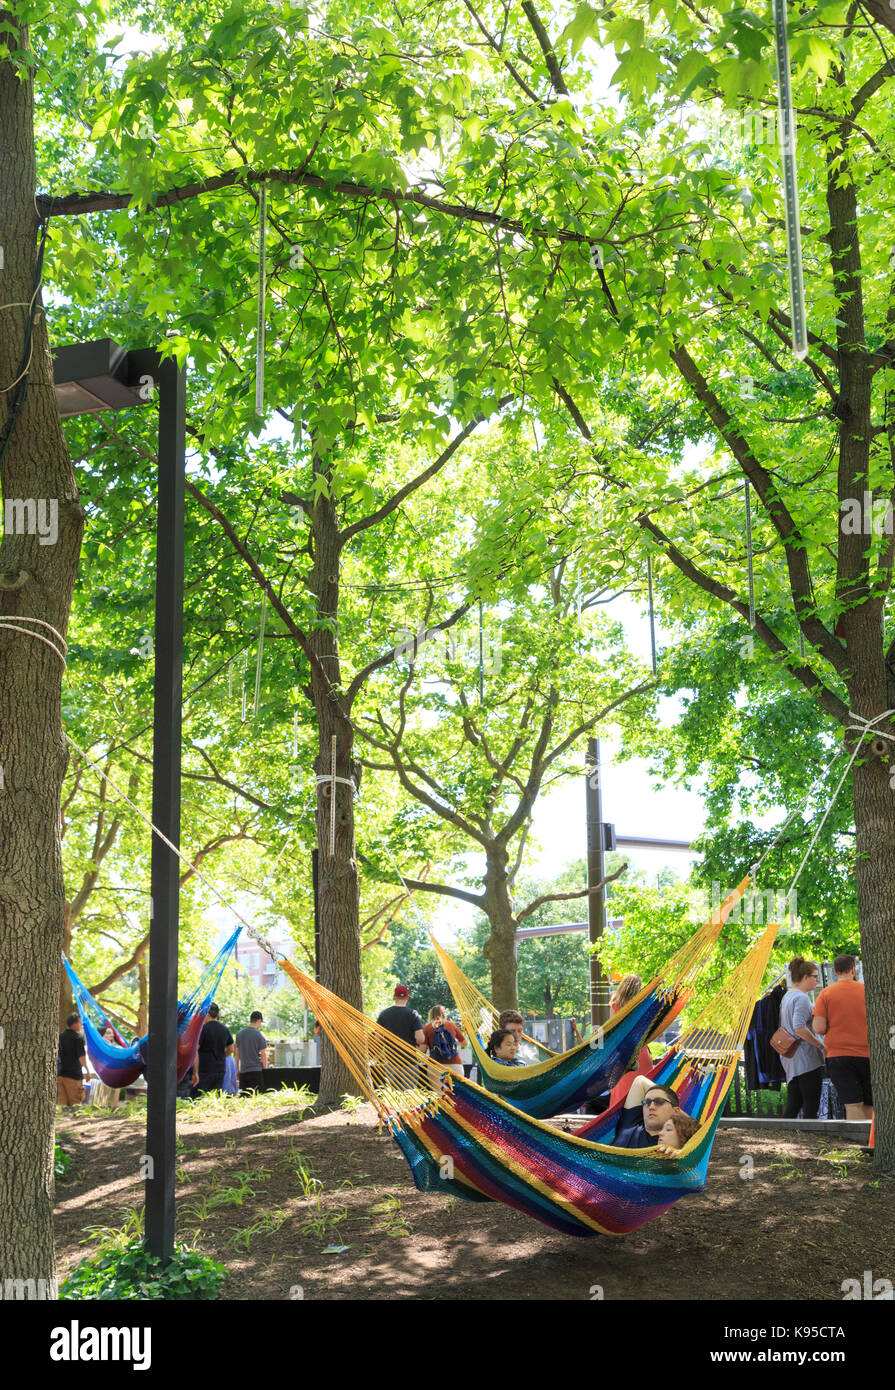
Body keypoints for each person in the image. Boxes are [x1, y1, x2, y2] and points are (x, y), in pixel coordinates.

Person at [811, 954, 873, 1121]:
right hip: (868, 1055)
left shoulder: (826, 994)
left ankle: (856, 1141)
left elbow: (818, 1027)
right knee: (870, 1103)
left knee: (853, 1104)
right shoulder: (868, 991)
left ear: (835, 972)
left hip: (839, 1056)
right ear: (853, 969)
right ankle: (871, 1141)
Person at [779, 957, 825, 1119]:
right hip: (804, 1057)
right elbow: (799, 1027)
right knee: (810, 1104)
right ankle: (810, 1138)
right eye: (815, 976)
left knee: (795, 1102)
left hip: (791, 1057)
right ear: (805, 977)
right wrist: (820, 1045)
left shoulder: (788, 996)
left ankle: (786, 1136)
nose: (817, 980)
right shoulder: (801, 998)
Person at [613, 1074, 683, 1149]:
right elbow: (640, 1081)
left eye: (659, 1101)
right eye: (647, 1102)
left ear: (676, 1111)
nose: (651, 1107)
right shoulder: (631, 1123)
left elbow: (696, 1133)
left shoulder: (676, 1144)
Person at [190, 1003, 234, 1097]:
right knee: (215, 1099)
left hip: (204, 1070)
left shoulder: (203, 1030)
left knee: (199, 1099)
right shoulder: (225, 1029)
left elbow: (195, 1051)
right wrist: (222, 1056)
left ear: (208, 1014)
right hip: (220, 1069)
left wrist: (195, 1072)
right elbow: (231, 1049)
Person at [57, 1013, 88, 1112]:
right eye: (80, 1023)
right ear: (74, 1024)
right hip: (73, 1076)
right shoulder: (77, 1038)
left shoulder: (60, 1037)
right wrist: (87, 1071)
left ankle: (62, 1126)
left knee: (62, 1106)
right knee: (76, 1105)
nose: (81, 1025)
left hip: (60, 1075)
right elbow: (81, 1057)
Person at [423, 1006, 466, 1076]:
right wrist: (452, 1043)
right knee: (458, 1087)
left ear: (431, 1015)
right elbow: (464, 1043)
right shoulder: (452, 1025)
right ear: (444, 1014)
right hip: (455, 1063)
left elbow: (423, 1050)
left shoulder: (427, 1028)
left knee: (437, 1087)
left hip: (435, 1065)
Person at [234, 1011, 269, 1094]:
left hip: (243, 1072)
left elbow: (237, 1054)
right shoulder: (259, 1035)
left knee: (245, 1098)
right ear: (259, 1020)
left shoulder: (239, 1034)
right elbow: (263, 1055)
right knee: (257, 1097)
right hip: (256, 1072)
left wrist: (237, 1070)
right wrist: (265, 1070)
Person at [89, 1024, 122, 1110]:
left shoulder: (112, 1046)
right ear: (101, 1035)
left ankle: (112, 1107)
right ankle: (101, 1107)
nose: (112, 1035)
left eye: (112, 1033)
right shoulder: (99, 1046)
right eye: (108, 1033)